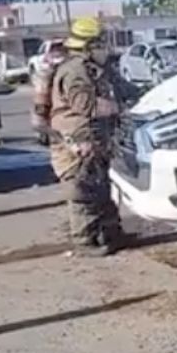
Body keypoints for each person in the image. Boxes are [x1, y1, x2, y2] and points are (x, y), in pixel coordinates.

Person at [49, 16, 124, 256]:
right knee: (82, 191)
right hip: (77, 142)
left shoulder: (96, 68)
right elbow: (85, 105)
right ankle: (84, 243)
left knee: (101, 189)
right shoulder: (75, 71)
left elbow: (123, 87)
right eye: (100, 42)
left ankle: (110, 234)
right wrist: (117, 107)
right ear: (87, 46)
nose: (105, 48)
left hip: (94, 141)